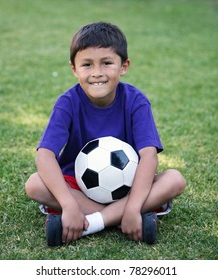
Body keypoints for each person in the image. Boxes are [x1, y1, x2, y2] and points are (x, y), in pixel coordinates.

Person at [25, 22, 186, 246]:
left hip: (129, 187)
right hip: (78, 188)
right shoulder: (67, 103)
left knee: (174, 180)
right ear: (74, 68)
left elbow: (149, 156)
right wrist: (69, 204)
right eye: (87, 65)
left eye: (107, 63)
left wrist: (132, 203)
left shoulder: (136, 101)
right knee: (34, 184)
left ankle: (93, 222)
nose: (97, 73)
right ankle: (120, 218)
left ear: (124, 66)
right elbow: (44, 155)